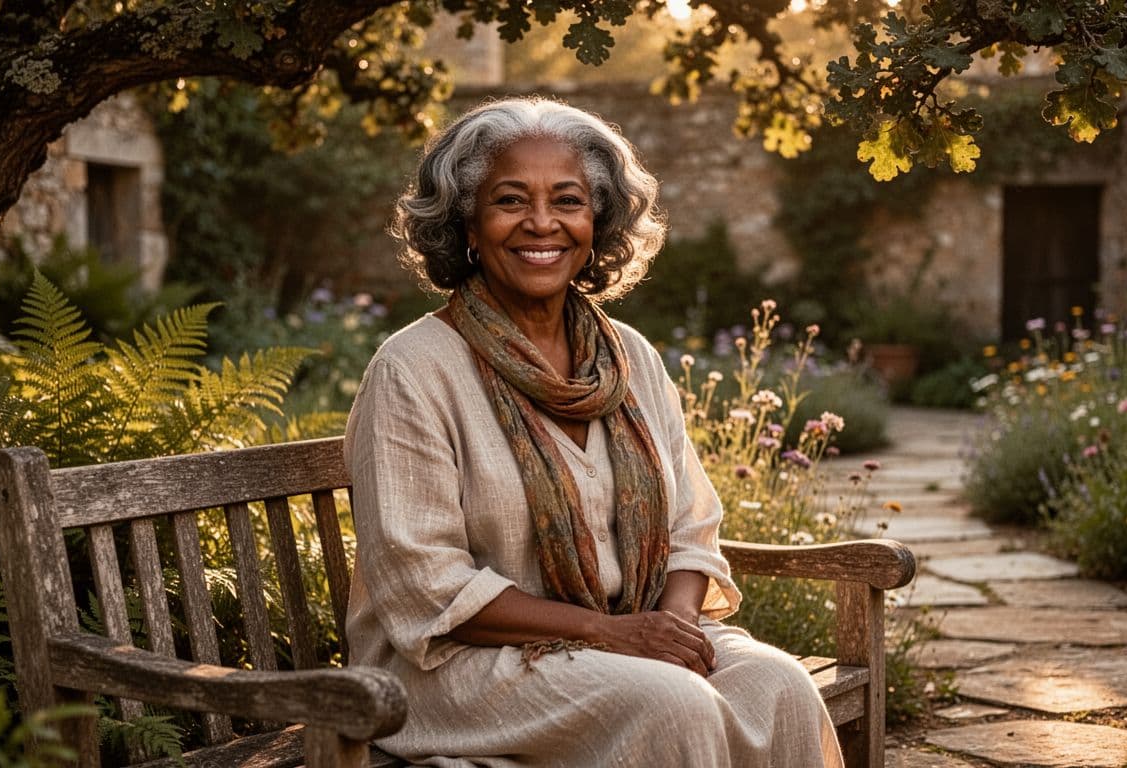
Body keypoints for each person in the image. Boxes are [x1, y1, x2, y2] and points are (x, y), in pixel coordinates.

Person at [344, 96, 842, 767]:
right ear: (467, 220)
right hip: (455, 668)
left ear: (598, 221)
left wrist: (675, 630)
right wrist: (612, 635)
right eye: (511, 200)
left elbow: (691, 531)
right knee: (672, 702)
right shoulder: (413, 370)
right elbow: (426, 587)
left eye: (568, 200)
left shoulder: (629, 356)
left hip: (616, 637)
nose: (542, 223)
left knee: (778, 686)